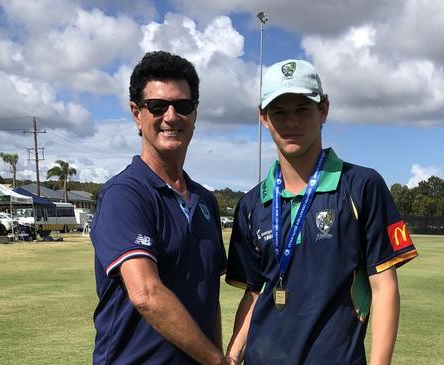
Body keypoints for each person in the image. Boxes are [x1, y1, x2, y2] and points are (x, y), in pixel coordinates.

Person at [225, 59, 419, 365]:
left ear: (323, 110)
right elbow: (254, 294)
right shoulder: (251, 204)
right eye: (279, 112)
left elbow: (384, 288)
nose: (291, 122)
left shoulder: (361, 186)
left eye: (303, 109)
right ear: (264, 118)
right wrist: (233, 355)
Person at [90, 51, 229, 365]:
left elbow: (211, 300)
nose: (171, 116)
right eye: (157, 106)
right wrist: (217, 361)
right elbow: (146, 296)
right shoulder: (124, 193)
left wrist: (215, 354)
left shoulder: (205, 200)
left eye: (182, 106)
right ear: (136, 113)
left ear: (194, 114)